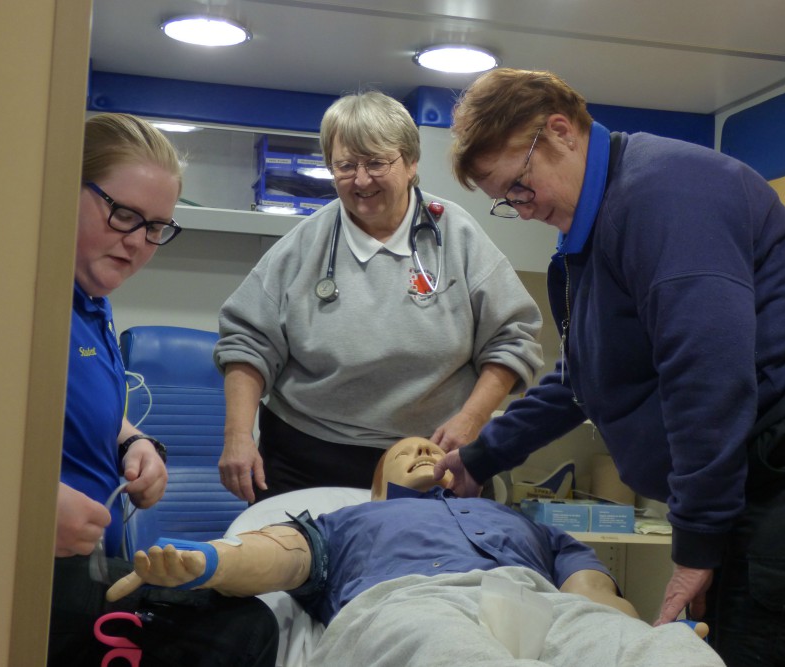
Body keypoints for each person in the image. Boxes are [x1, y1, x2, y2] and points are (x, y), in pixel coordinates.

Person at [433, 68, 785, 666]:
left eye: (519, 185)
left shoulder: (662, 194)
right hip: (773, 457)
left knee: (773, 647)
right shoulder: (600, 228)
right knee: (727, 642)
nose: (522, 207)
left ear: (560, 131)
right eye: (505, 201)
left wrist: (695, 542)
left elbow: (709, 373)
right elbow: (584, 379)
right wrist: (481, 457)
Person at [107, 437, 723, 667]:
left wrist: (637, 639)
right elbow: (282, 556)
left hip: (537, 608)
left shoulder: (512, 519)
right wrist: (209, 563)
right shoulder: (351, 520)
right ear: (379, 481)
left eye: (434, 449)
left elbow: (589, 593)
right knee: (449, 654)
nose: (428, 451)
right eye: (409, 450)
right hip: (406, 605)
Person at [214, 90, 543, 502]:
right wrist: (237, 435)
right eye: (345, 165)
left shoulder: (455, 235)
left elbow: (513, 338)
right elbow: (247, 342)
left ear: (410, 163)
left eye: (376, 163)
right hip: (307, 457)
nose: (361, 179)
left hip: (432, 457)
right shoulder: (305, 244)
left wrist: (472, 420)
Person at [50, 112, 278, 667]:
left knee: (247, 622)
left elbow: (65, 400)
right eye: (124, 214)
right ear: (59, 185)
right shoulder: (21, 291)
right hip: (25, 571)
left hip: (86, 565)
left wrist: (133, 443)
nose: (137, 243)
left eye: (156, 228)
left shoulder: (91, 295)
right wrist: (24, 508)